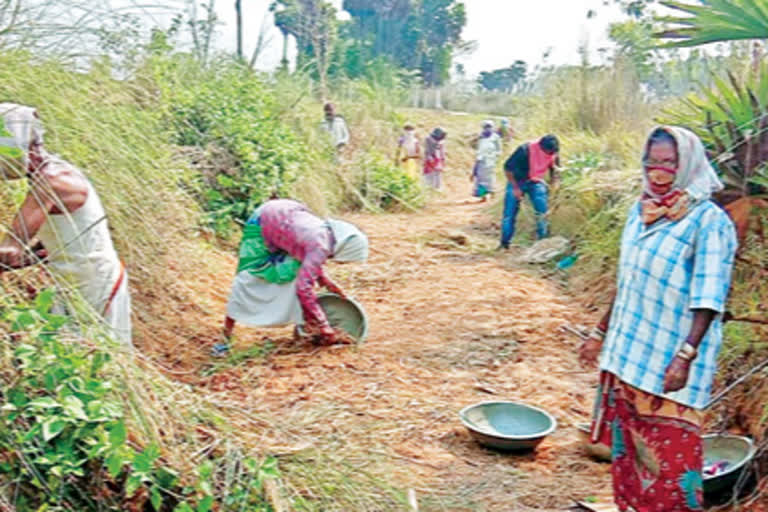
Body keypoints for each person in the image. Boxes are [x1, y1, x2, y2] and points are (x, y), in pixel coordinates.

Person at [579, 126, 737, 512]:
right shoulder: (641, 210)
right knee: (629, 456)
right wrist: (600, 332)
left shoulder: (708, 221)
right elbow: (626, 281)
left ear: (687, 165)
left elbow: (709, 296)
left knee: (671, 469)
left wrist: (685, 355)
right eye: (651, 161)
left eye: (669, 162)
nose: (658, 170)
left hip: (669, 364)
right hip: (627, 355)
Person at [0, 103, 131, 345]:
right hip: (76, 283)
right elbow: (48, 244)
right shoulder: (54, 174)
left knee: (99, 359)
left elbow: (10, 249)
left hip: (95, 286)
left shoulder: (52, 182)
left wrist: (11, 258)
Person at [219, 199, 368, 355]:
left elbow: (307, 256)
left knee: (295, 271)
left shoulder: (326, 235)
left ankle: (309, 323)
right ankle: (225, 339)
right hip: (262, 221)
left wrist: (327, 282)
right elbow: (304, 288)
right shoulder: (321, 246)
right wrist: (324, 325)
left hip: (283, 216)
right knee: (247, 279)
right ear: (345, 250)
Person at [499, 134, 560, 249]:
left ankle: (543, 244)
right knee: (509, 214)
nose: (550, 154)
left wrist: (554, 186)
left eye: (552, 152)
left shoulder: (553, 152)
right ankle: (504, 244)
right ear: (541, 147)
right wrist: (516, 188)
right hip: (517, 181)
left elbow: (555, 171)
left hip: (536, 182)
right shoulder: (524, 150)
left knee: (543, 213)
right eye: (547, 151)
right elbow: (507, 168)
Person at [471, 120, 502, 202]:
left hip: (491, 161)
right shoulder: (480, 137)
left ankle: (492, 194)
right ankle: (483, 196)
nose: (487, 129)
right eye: (486, 127)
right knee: (480, 179)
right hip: (481, 160)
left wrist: (494, 156)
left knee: (491, 179)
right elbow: (478, 149)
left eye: (489, 127)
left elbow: (499, 150)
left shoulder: (496, 137)